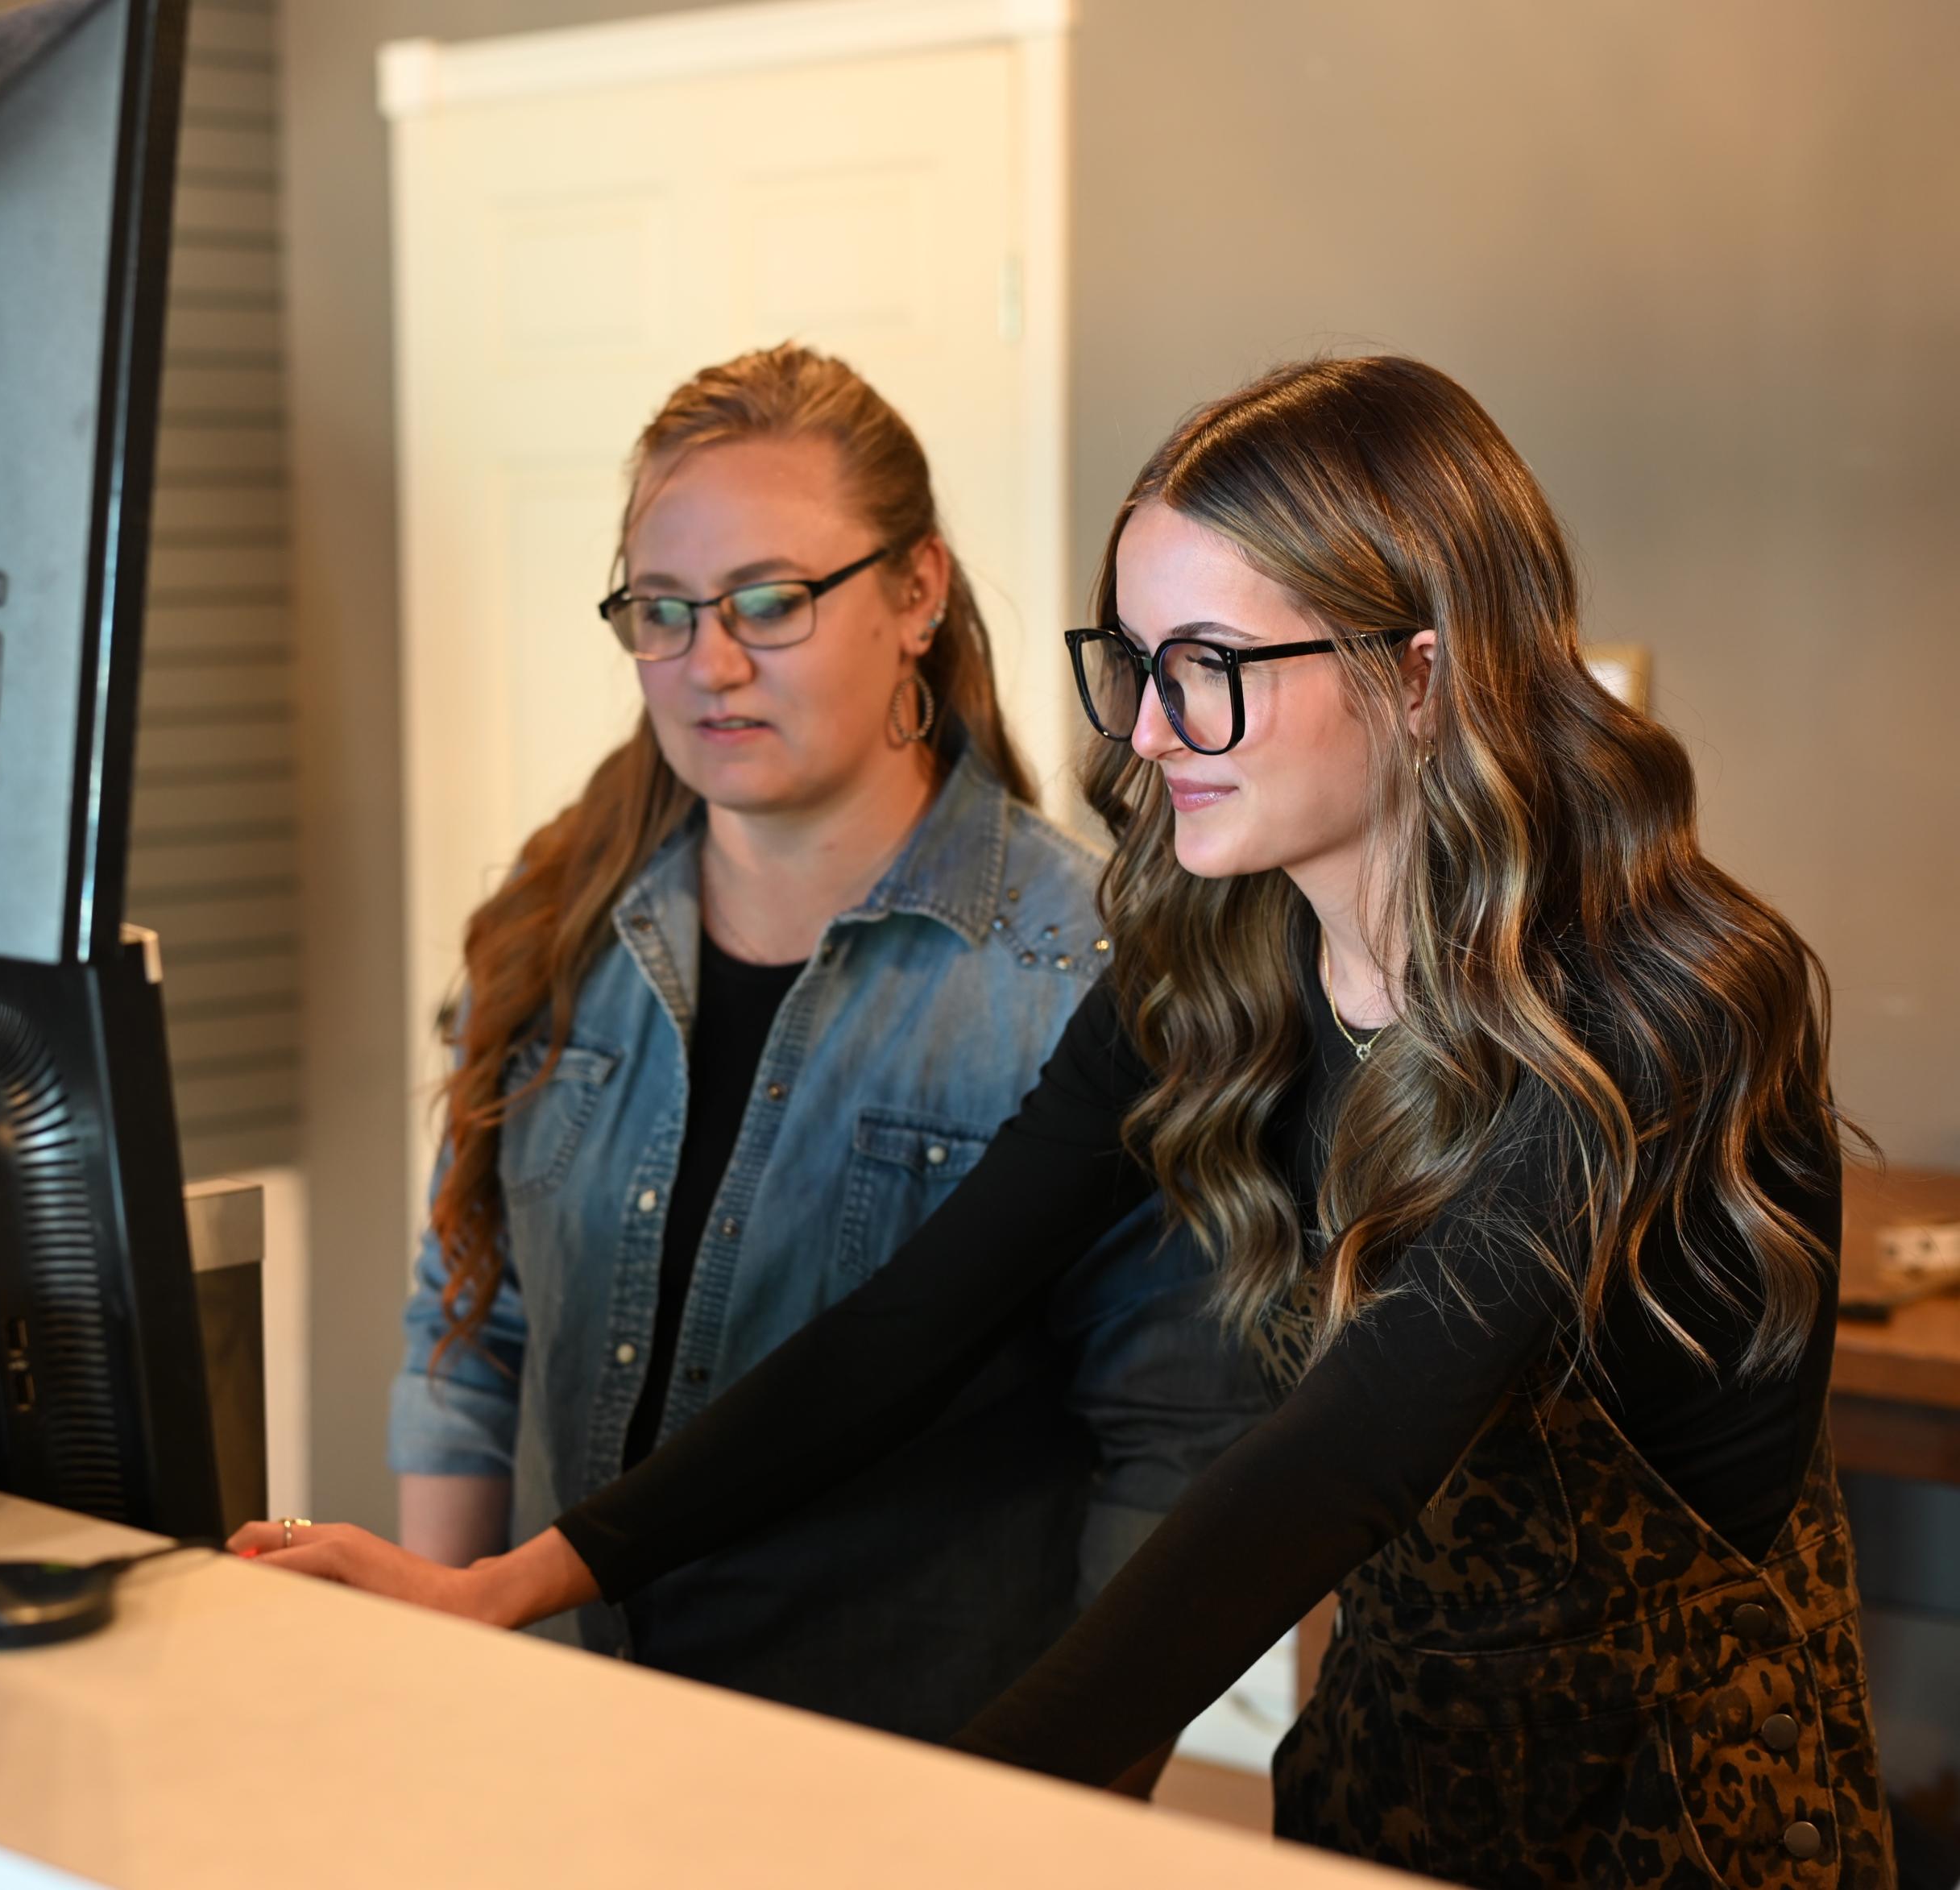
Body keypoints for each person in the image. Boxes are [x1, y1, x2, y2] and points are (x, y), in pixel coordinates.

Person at [235, 355, 1893, 1888]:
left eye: (1213, 669)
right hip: (1396, 1755)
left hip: (1684, 1800)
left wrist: (977, 1816)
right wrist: (510, 1583)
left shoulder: (1658, 1009)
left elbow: (1328, 1469)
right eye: (1138, 664)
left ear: (1418, 675)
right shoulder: (1220, 950)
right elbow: (913, 1323)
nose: (1151, 731)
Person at [361, 343, 1261, 1747]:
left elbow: (1172, 1447)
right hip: (553, 1746)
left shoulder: (1083, 971)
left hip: (905, 1786)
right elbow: (470, 1330)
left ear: (917, 594)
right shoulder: (547, 935)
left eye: (771, 602)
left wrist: (1076, 1812)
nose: (710, 663)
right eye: (663, 612)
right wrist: (444, 1647)